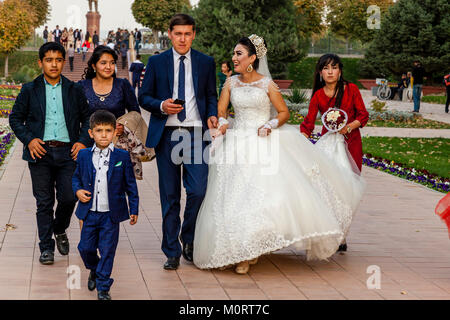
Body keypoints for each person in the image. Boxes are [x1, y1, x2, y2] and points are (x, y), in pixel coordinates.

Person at [193, 37, 365, 274]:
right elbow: (222, 111)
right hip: (236, 143)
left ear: (253, 58)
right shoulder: (230, 83)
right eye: (234, 53)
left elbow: (283, 112)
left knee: (259, 195)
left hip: (263, 141)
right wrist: (222, 124)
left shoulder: (268, 85)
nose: (234, 58)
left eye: (239, 53)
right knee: (232, 197)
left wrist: (270, 125)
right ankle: (239, 248)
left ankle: (251, 251)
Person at [139, 13, 218, 271]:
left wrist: (213, 115)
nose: (182, 38)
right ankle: (171, 251)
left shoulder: (206, 62)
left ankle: (189, 238)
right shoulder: (156, 62)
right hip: (168, 135)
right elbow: (144, 97)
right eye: (178, 33)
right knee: (170, 196)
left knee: (198, 191)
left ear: (193, 34)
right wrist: (161, 105)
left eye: (187, 33)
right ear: (170, 34)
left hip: (196, 134)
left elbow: (210, 95)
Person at [9, 42, 91, 265]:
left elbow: (88, 120)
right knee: (44, 202)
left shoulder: (75, 89)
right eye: (48, 60)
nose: (53, 64)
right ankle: (46, 248)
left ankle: (60, 228)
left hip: (68, 153)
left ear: (64, 61)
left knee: (68, 197)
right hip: (40, 153)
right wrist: (29, 139)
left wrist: (82, 142)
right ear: (40, 62)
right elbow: (15, 119)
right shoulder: (29, 89)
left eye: (58, 60)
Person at [300, 53, 369, 252]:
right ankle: (330, 231)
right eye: (326, 68)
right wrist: (300, 141)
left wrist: (348, 127)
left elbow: (363, 115)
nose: (330, 72)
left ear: (340, 70)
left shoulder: (351, 89)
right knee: (326, 188)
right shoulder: (318, 95)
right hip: (327, 146)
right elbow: (308, 124)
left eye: (334, 67)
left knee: (347, 190)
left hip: (350, 143)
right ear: (320, 72)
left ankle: (343, 234)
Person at [73, 109, 139, 300]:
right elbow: (76, 177)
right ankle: (94, 268)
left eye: (108, 131)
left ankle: (103, 286)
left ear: (114, 132)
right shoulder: (84, 155)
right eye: (99, 130)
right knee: (85, 248)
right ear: (91, 133)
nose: (103, 135)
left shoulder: (122, 157)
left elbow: (131, 185)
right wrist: (77, 190)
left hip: (111, 215)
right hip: (89, 213)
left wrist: (133, 208)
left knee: (108, 250)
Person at [80, 45, 141, 119]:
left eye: (112, 63)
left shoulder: (123, 85)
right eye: (103, 63)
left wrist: (124, 126)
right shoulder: (82, 86)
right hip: (88, 130)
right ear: (94, 66)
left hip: (117, 130)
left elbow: (136, 114)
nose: (108, 67)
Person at [113, 111, 156, 180]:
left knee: (120, 178)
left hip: (119, 139)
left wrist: (125, 124)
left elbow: (134, 112)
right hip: (92, 138)